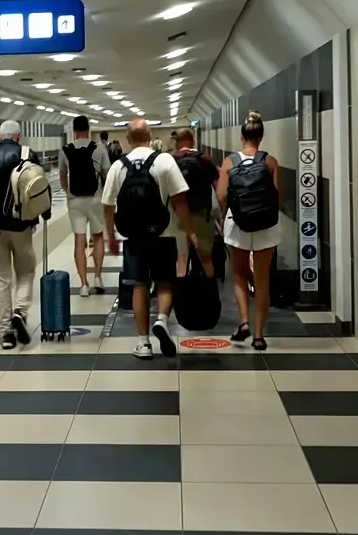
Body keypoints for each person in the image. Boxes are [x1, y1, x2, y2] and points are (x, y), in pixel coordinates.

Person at [102, 118, 196, 361]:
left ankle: (143, 343)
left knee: (139, 286)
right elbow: (179, 200)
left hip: (133, 235)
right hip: (164, 232)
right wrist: (189, 230)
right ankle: (162, 320)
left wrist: (111, 236)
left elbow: (108, 206)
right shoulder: (165, 160)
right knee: (165, 282)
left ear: (127, 139)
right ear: (150, 135)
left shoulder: (118, 166)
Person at [0, 120, 50, 350]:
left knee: (1, 280)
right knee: (26, 271)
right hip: (21, 226)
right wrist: (45, 212)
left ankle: (6, 334)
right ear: (18, 137)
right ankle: (20, 312)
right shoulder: (27, 155)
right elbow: (40, 187)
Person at [217, 111, 281, 352]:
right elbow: (277, 195)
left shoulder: (229, 162)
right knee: (262, 280)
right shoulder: (270, 161)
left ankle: (244, 322)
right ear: (261, 137)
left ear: (241, 136)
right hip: (266, 226)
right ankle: (259, 336)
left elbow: (221, 196)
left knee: (239, 275)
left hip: (238, 224)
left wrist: (224, 215)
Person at [60, 115, 111, 296]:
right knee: (98, 238)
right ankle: (97, 276)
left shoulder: (65, 150)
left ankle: (83, 284)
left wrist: (69, 192)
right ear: (88, 129)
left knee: (79, 242)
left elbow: (63, 178)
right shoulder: (99, 148)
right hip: (95, 199)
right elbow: (106, 175)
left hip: (75, 201)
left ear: (74, 131)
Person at [172, 128, 220, 278]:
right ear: (192, 141)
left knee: (181, 259)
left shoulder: (171, 160)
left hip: (177, 216)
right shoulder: (204, 159)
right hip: (202, 214)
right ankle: (209, 288)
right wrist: (223, 214)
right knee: (206, 258)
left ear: (177, 143)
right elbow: (218, 189)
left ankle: (181, 290)